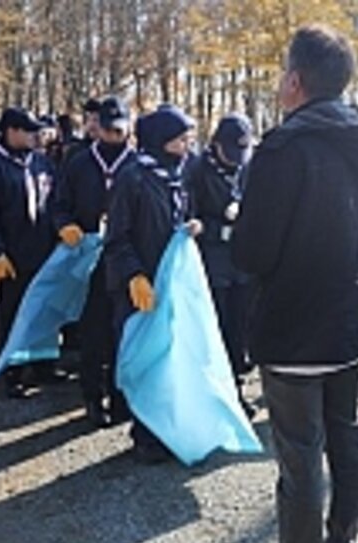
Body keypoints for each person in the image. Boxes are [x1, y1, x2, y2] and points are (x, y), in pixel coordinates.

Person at [231, 25, 358, 543]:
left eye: (282, 72)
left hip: (296, 328)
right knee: (347, 437)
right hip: (352, 323)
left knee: (301, 459)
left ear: (295, 81)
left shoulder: (282, 149)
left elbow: (252, 252)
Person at [105, 104, 202, 463]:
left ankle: (167, 429)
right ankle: (144, 434)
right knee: (143, 359)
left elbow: (182, 215)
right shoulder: (132, 178)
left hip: (170, 281)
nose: (187, 146)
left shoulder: (176, 175)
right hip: (138, 287)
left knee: (169, 358)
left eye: (189, 139)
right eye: (180, 140)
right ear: (161, 141)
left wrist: (192, 227)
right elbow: (117, 237)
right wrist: (134, 275)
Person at [52, 96, 134, 429]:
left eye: (120, 127)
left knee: (123, 333)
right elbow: (58, 204)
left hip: (126, 261)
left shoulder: (137, 165)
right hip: (88, 260)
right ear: (97, 126)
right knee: (93, 332)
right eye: (108, 127)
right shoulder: (79, 162)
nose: (114, 133)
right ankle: (91, 396)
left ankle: (120, 396)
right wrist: (65, 225)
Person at [0, 107, 62, 398]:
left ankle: (44, 365)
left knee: (46, 310)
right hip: (12, 255)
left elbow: (56, 202)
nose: (35, 136)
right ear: (11, 132)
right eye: (28, 131)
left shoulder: (42, 163)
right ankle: (14, 371)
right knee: (14, 313)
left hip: (45, 252)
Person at [184, 113, 257, 417]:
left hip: (242, 261)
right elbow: (189, 218)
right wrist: (221, 227)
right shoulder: (196, 169)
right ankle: (220, 391)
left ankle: (236, 378)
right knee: (216, 326)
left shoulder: (247, 166)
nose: (237, 159)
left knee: (240, 325)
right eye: (231, 151)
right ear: (216, 145)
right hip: (212, 261)